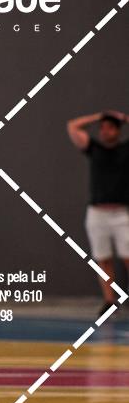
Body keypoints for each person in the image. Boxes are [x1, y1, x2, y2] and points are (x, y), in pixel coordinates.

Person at [67, 110, 129, 315]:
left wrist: (123, 118)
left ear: (118, 130)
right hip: (97, 213)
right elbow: (72, 126)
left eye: (110, 127)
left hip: (121, 213)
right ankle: (110, 301)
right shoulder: (94, 148)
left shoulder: (125, 149)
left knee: (127, 256)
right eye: (102, 128)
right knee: (103, 258)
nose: (104, 131)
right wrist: (99, 116)